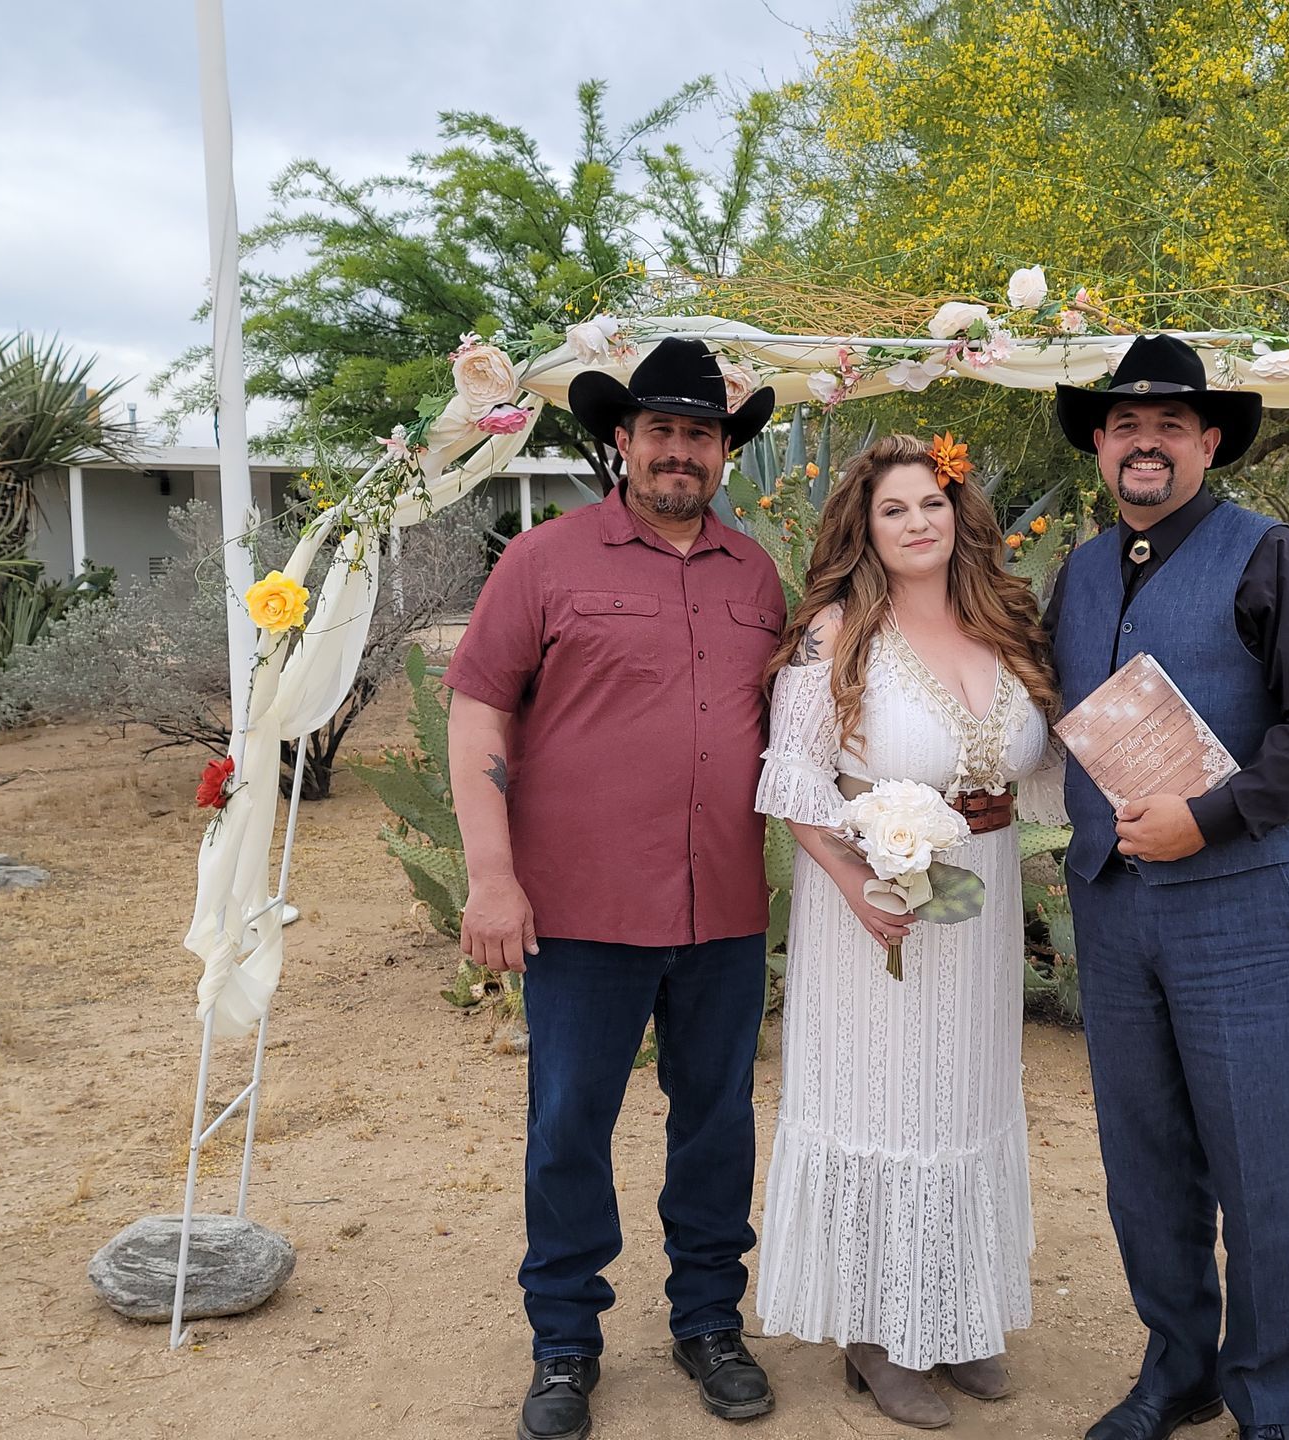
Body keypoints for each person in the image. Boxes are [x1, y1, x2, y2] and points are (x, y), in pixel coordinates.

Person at [444, 337, 785, 1440]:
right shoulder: (544, 560)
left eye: (701, 432)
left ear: (724, 451)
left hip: (723, 907)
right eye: (661, 430)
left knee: (717, 1126)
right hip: (582, 910)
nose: (680, 450)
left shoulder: (757, 575)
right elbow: (478, 713)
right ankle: (564, 1344)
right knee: (569, 1127)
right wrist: (491, 877)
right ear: (623, 441)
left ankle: (708, 1324)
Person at [1044, 336, 1289, 1440]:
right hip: (1113, 906)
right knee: (1144, 1168)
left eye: (1171, 424)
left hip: (1243, 912)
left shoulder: (1270, 555)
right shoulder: (1082, 570)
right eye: (1126, 423)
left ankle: (1266, 1398)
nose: (1147, 440)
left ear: (1209, 441)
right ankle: (1177, 1369)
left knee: (1255, 1170)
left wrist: (1210, 817)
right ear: (1100, 444)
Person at [753, 433, 1065, 1430]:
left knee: (963, 1096)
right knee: (884, 1101)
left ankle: (952, 1310)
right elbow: (795, 778)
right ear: (866, 527)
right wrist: (856, 887)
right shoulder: (835, 634)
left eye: (932, 503)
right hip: (873, 908)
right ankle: (875, 1334)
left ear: (960, 511)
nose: (917, 522)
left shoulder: (1005, 625)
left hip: (979, 900)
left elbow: (1045, 763)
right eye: (895, 510)